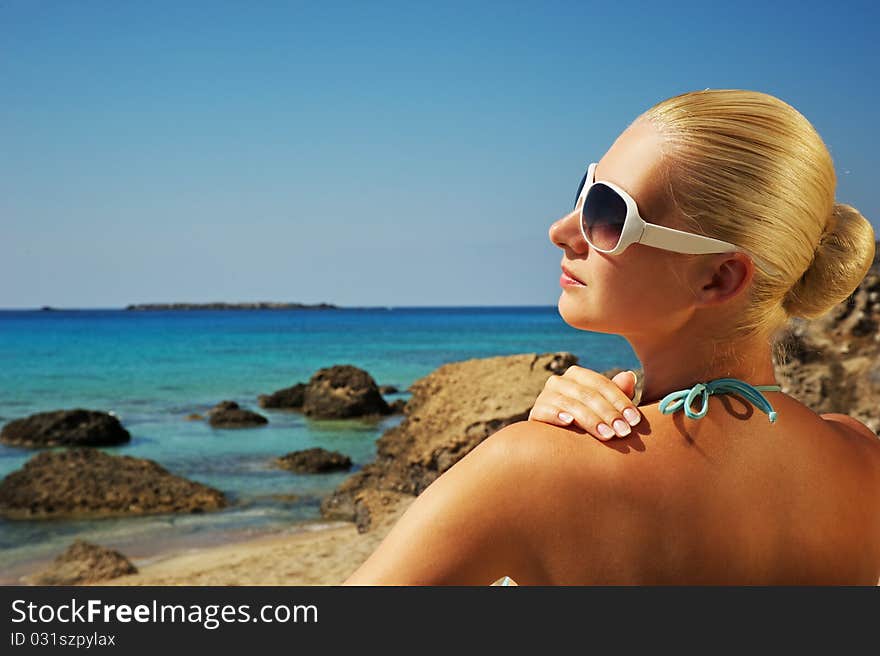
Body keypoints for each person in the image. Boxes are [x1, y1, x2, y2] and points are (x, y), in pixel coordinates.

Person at [342, 89, 880, 585]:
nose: (561, 230)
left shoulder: (530, 471)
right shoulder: (863, 460)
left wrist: (541, 454)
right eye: (586, 190)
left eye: (608, 214)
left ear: (718, 277)